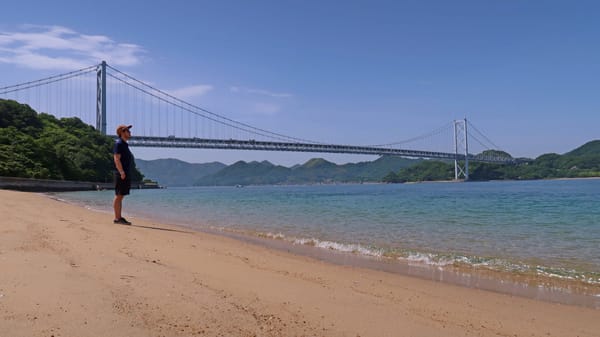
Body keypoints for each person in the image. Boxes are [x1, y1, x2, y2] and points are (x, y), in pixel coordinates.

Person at [113, 124, 134, 225]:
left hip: (124, 173)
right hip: (121, 174)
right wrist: (121, 172)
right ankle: (117, 218)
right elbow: (116, 159)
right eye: (128, 131)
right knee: (119, 195)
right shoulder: (119, 143)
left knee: (121, 196)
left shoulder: (124, 144)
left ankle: (119, 217)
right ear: (122, 132)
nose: (130, 133)